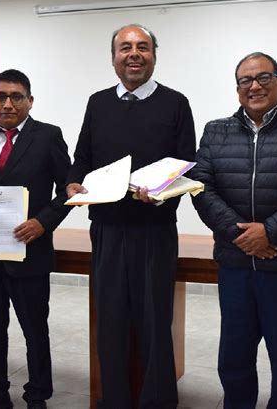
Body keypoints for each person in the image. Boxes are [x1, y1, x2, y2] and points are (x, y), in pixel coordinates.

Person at [190, 52, 277, 409]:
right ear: (237, 89)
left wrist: (269, 232)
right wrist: (243, 237)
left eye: (264, 78)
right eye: (245, 80)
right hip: (235, 266)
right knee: (234, 359)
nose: (255, 86)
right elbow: (201, 187)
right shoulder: (215, 130)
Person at [66, 24, 196, 409]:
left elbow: (188, 165)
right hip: (105, 230)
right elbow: (83, 158)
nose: (134, 54)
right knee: (110, 322)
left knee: (155, 325)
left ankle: (156, 401)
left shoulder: (175, 103)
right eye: (125, 47)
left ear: (155, 55)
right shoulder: (98, 102)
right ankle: (115, 400)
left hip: (154, 230)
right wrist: (74, 183)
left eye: (142, 47)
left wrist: (160, 197)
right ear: (113, 57)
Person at [0, 69, 71, 409]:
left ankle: (38, 395)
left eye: (16, 97)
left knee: (34, 331)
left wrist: (43, 223)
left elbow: (69, 189)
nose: (8, 103)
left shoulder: (48, 136)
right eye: (1, 97)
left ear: (30, 101)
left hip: (30, 252)